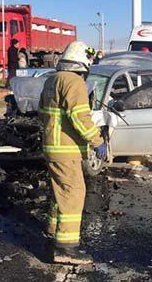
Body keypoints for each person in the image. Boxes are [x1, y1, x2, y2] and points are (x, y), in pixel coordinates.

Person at [39, 41, 107, 265]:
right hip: (65, 148)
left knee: (60, 190)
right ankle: (66, 248)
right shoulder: (74, 81)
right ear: (82, 64)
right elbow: (80, 116)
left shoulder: (52, 80)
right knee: (73, 192)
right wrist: (97, 141)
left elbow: (43, 113)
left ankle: (53, 228)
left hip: (52, 145)